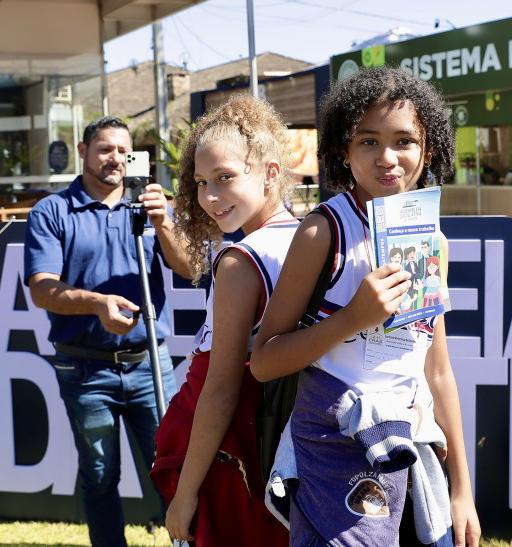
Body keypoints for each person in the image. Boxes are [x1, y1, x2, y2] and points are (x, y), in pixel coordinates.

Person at [251, 66, 481, 546]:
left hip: (405, 450)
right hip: (328, 451)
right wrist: (354, 317)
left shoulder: (432, 240)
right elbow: (264, 360)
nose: (388, 158)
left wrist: (462, 488)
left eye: (404, 141)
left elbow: (436, 371)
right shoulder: (323, 231)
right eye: (368, 141)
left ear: (429, 148)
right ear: (344, 150)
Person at [23, 115, 192, 547]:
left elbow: (191, 268)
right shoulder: (52, 211)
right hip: (84, 369)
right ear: (82, 152)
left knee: (174, 471)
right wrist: (96, 304)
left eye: (123, 150)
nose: (115, 158)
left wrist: (164, 224)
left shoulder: (153, 209)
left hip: (150, 365)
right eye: (104, 149)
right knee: (99, 476)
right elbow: (41, 288)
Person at [150, 94, 293, 546]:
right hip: (273, 452)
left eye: (225, 178)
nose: (209, 196)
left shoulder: (240, 260)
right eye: (200, 181)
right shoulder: (308, 236)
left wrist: (186, 494)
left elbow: (221, 387)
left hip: (233, 455)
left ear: (270, 173)